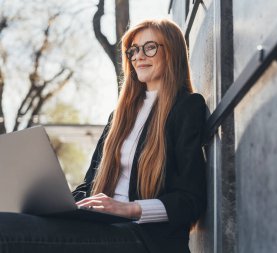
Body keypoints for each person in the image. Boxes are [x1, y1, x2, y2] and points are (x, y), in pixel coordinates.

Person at [0, 19, 207, 253]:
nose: (139, 56)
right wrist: (64, 205)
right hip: (103, 227)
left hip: (148, 238)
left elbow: (192, 199)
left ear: (172, 52)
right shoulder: (119, 116)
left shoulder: (187, 107)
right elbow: (90, 185)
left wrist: (129, 208)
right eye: (133, 50)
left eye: (150, 47)